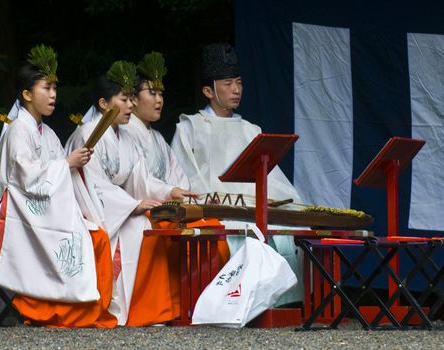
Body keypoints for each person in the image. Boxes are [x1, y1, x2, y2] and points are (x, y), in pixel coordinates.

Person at [0, 45, 116, 328]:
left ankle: (87, 310)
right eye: (46, 88)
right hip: (13, 214)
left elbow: (50, 176)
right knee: (84, 239)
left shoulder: (46, 132)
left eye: (55, 89)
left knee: (97, 235)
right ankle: (58, 311)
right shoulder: (17, 130)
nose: (53, 95)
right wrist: (67, 164)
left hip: (36, 210)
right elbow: (25, 177)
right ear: (27, 94)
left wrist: (72, 163)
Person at [171, 43, 304, 306]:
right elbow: (186, 178)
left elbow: (273, 180)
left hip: (256, 208)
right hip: (218, 209)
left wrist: (279, 202)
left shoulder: (251, 129)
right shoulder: (190, 127)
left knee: (292, 230)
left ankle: (282, 303)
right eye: (228, 83)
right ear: (209, 91)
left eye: (239, 83)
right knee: (241, 232)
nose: (236, 89)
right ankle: (232, 303)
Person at [65, 60, 196, 326]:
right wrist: (132, 205)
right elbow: (92, 184)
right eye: (124, 100)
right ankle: (132, 308)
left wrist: (170, 190)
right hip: (92, 212)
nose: (130, 106)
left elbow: (141, 177)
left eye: (131, 99)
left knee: (147, 225)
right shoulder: (87, 134)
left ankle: (153, 308)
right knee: (140, 228)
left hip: (116, 208)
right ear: (104, 104)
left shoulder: (123, 137)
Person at [124, 51, 189, 189]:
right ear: (134, 98)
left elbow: (178, 176)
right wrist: (168, 192)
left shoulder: (158, 138)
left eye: (161, 94)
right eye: (152, 93)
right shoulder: (125, 133)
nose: (159, 100)